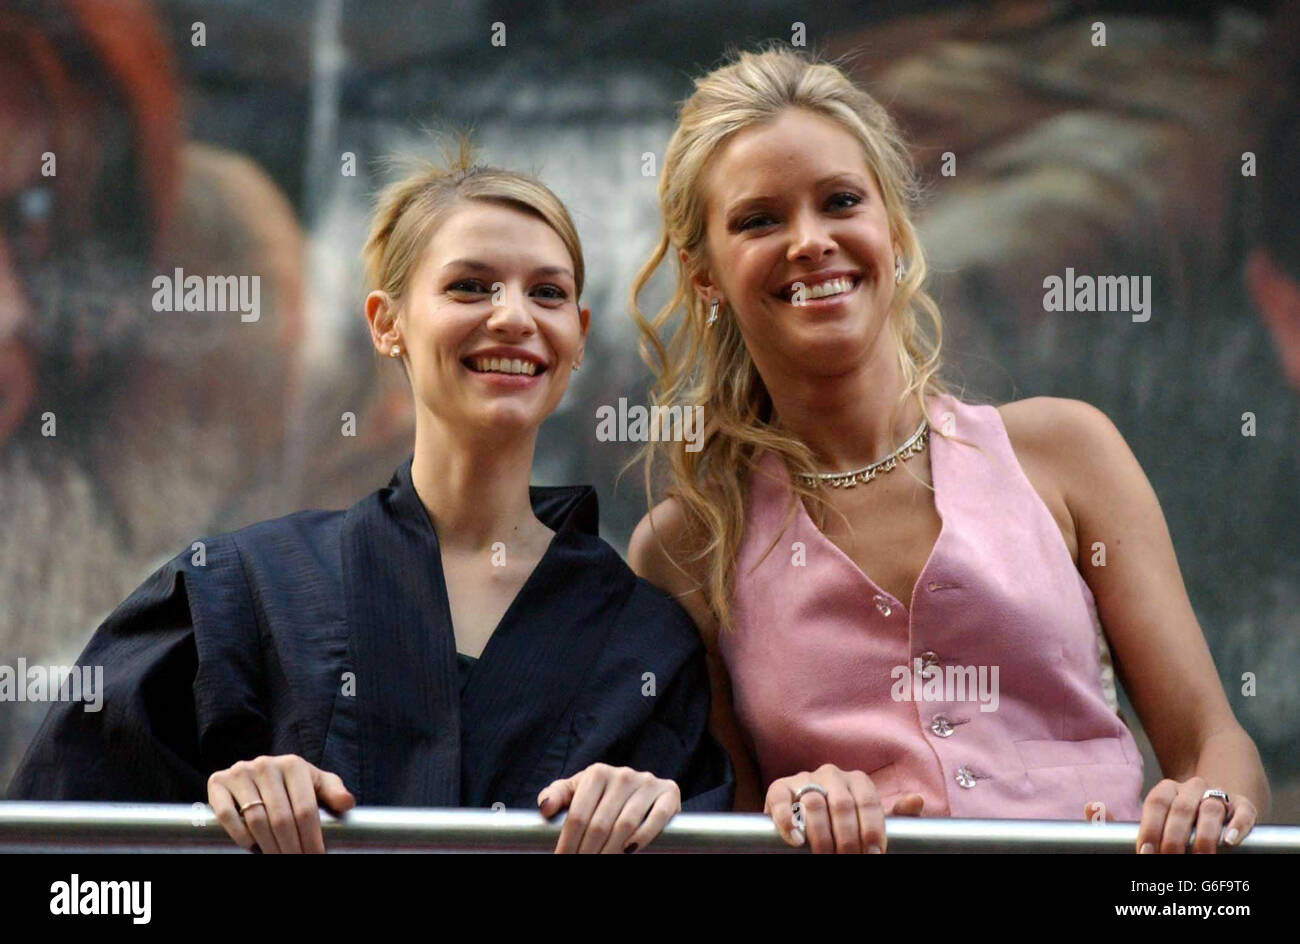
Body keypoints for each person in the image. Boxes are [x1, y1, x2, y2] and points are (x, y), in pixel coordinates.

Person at [627, 45, 1269, 854]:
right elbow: (735, 821)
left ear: (893, 227)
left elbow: (1216, 744)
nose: (809, 241)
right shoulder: (686, 547)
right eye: (759, 220)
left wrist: (1208, 802)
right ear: (703, 277)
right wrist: (791, 808)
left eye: (840, 201)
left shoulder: (1067, 452)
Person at [8, 139, 733, 853]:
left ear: (576, 337)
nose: (513, 315)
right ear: (387, 323)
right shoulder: (240, 593)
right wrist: (211, 816)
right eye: (470, 286)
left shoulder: (646, 643)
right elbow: (68, 883)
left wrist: (657, 824)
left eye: (547, 292)